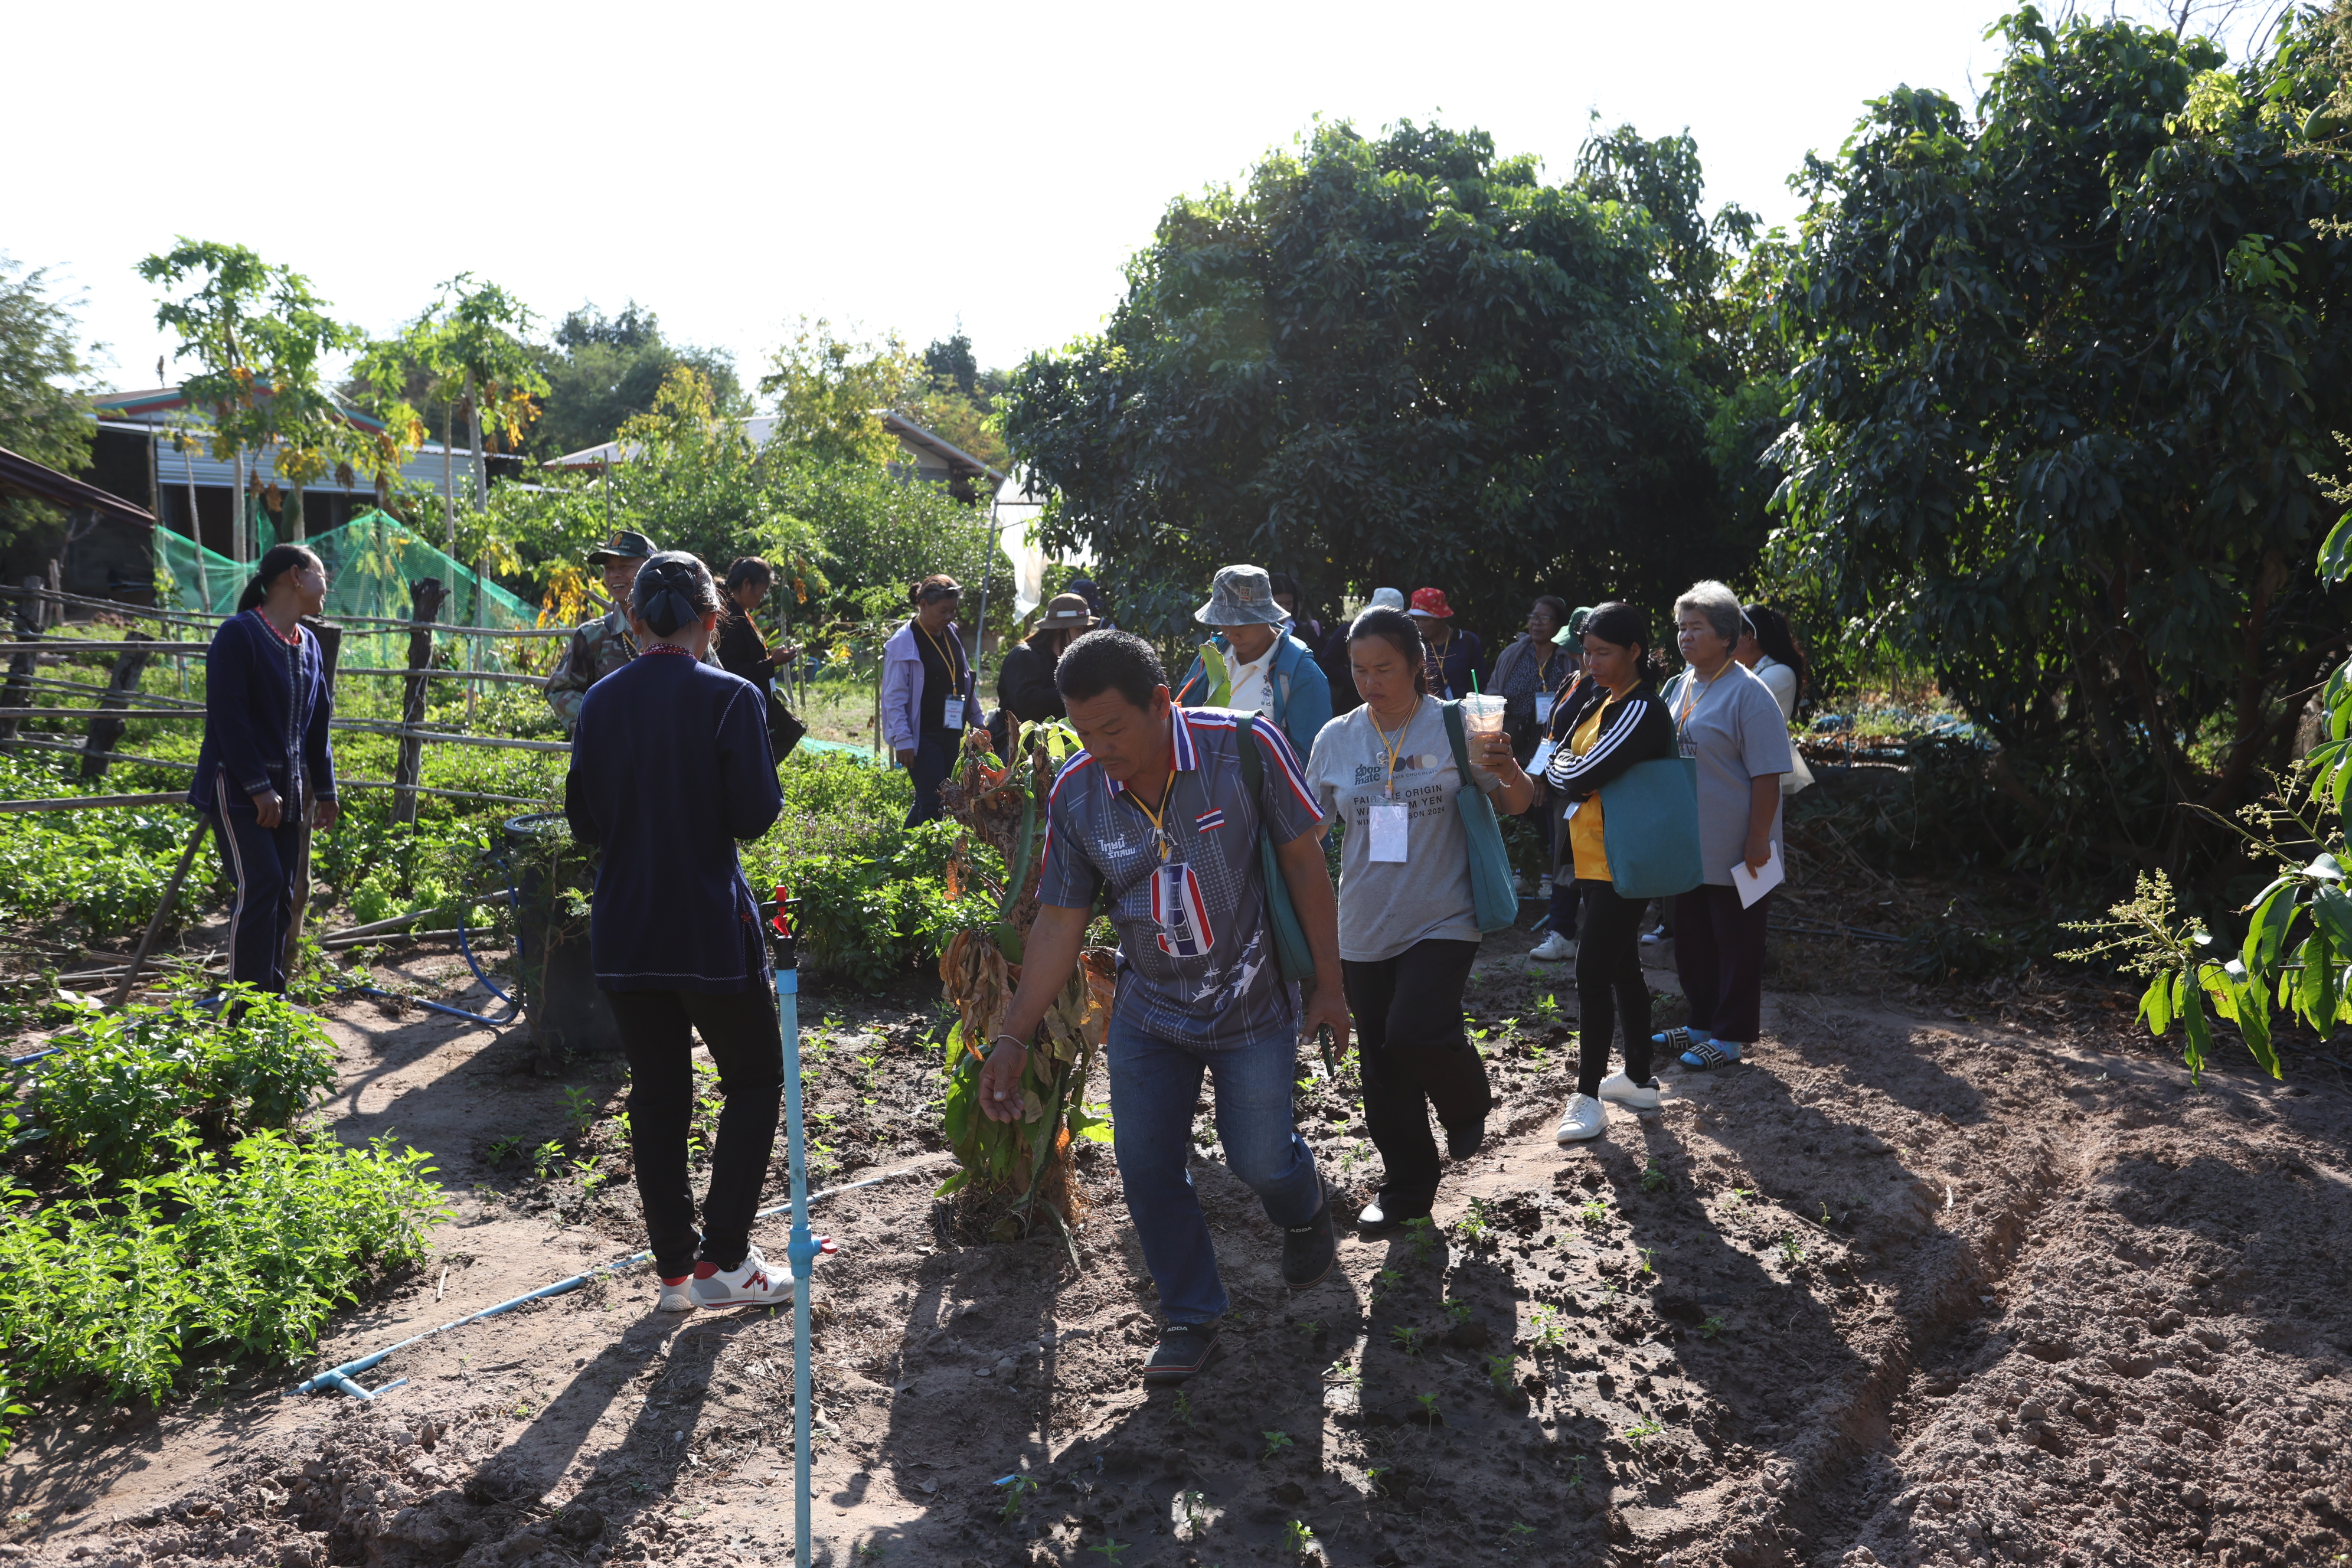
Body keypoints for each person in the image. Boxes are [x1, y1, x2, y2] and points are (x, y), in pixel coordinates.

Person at [976, 629, 1346, 1386]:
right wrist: (1012, 1035)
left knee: (1258, 1157)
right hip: (1151, 1008)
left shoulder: (1243, 750)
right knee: (1146, 1164)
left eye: (1113, 728)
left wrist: (1331, 985)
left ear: (1160, 702)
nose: (1099, 747)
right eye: (1083, 732)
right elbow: (1058, 922)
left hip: (1251, 1003)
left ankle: (1305, 1208)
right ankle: (1189, 1313)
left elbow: (1306, 863)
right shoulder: (1078, 792)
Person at [565, 551, 801, 1312]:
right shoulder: (730, 697)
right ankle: (724, 1258)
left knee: (659, 1093)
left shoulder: (600, 701)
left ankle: (673, 1270)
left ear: (632, 623)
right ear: (712, 620)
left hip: (626, 922)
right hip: (705, 921)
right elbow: (757, 817)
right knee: (756, 1080)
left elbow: (583, 821)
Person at [1305, 606, 1536, 1229]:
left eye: (1384, 667)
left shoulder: (1457, 725)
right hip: (1363, 922)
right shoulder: (1337, 738)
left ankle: (1465, 1102)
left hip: (1444, 913)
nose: (1371, 680)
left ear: (1416, 663)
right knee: (1381, 1066)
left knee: (1416, 1029)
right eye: (1359, 669)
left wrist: (1508, 764)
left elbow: (1518, 803)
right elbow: (1308, 833)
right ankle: (1407, 1190)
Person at [1540, 602, 1677, 1145]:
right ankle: (1639, 1079)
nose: (1591, 662)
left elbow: (1577, 773)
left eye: (1603, 653)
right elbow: (1556, 757)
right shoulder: (1603, 699)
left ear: (1635, 652)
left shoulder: (1642, 708)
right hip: (1597, 857)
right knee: (1622, 971)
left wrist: (1564, 772)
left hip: (1626, 860)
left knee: (1591, 971)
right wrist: (1564, 771)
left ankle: (1589, 1096)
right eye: (1587, 652)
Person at [1655, 582, 1792, 1073]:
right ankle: (1699, 1023)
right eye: (1681, 628)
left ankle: (1730, 1036)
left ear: (1728, 637)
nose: (1685, 638)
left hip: (1737, 845)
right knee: (1692, 940)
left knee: (1736, 941)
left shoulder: (1750, 694)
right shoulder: (1683, 685)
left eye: (1697, 628)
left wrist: (1758, 839)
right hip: (1689, 843)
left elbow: (1768, 773)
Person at [191, 545, 339, 995]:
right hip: (238, 788)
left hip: (287, 792)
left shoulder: (308, 644)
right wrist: (257, 787)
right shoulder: (239, 635)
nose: (325, 584)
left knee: (282, 893)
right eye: (320, 574)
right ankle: (242, 1010)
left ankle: (269, 1005)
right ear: (293, 576)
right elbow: (228, 717)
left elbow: (318, 725)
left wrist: (327, 791)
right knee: (262, 884)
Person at [1174, 564, 1335, 761]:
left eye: (1242, 622)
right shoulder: (1211, 655)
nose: (1231, 633)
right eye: (1224, 621)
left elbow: (1310, 758)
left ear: (1266, 617)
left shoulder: (1300, 670)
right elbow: (1184, 718)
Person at [879, 575, 979, 827]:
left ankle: (904, 852)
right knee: (934, 804)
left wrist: (977, 721)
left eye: (953, 611)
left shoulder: (951, 633)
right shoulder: (903, 643)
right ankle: (924, 861)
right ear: (923, 605)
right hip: (921, 735)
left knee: (935, 797)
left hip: (950, 730)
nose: (949, 617)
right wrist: (902, 739)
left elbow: (965, 678)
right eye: (943, 611)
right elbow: (894, 697)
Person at [1529, 607, 1595, 963]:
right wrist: (1537, 774)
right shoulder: (1571, 681)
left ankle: (1563, 930)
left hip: (1578, 788)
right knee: (1560, 859)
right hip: (1556, 785)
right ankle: (1561, 930)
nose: (1576, 654)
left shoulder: (1601, 688)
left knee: (1570, 862)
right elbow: (1550, 733)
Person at [716, 557, 806, 762]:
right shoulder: (730, 618)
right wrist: (772, 663)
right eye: (762, 590)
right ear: (747, 584)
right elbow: (731, 671)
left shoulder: (740, 612)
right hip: (739, 710)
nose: (763, 597)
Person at [996, 593, 1098, 726]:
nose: (1082, 636)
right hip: (1018, 743)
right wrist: (1076, 690)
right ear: (1059, 629)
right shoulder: (1024, 655)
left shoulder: (1065, 661)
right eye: (1079, 629)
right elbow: (1028, 703)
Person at [1490, 597, 1571, 760]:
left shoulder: (1569, 659)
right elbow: (1493, 690)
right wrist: (1499, 710)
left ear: (1559, 625)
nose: (1537, 623)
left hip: (1553, 746)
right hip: (1513, 742)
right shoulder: (1512, 654)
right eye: (1533, 617)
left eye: (1545, 618)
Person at [1734, 603, 1808, 723]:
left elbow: (1738, 700)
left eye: (1733, 635)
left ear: (1749, 637)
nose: (1727, 641)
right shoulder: (1748, 670)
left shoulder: (1781, 673)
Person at [1407, 588, 1486, 699]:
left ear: (1441, 617)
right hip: (1429, 714)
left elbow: (1481, 682)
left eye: (1425, 619)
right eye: (1416, 619)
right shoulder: (1416, 645)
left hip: (1465, 712)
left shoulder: (1468, 641)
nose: (1420, 624)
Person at [1269, 571, 1329, 653]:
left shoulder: (1307, 631)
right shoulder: (1256, 631)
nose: (1284, 608)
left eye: (1289, 604)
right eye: (1278, 604)